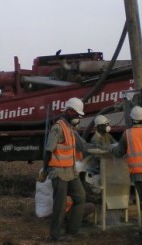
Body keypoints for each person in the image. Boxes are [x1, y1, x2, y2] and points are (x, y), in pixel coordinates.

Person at [39, 97, 88, 242]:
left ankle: (72, 231)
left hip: (71, 171)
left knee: (80, 196)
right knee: (60, 206)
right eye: (77, 114)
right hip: (59, 172)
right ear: (69, 111)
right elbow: (48, 151)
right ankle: (55, 236)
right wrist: (45, 170)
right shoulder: (58, 128)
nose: (78, 117)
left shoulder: (69, 128)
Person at [111, 106, 142, 228]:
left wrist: (112, 148)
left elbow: (119, 153)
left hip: (136, 172)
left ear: (132, 120)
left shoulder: (127, 134)